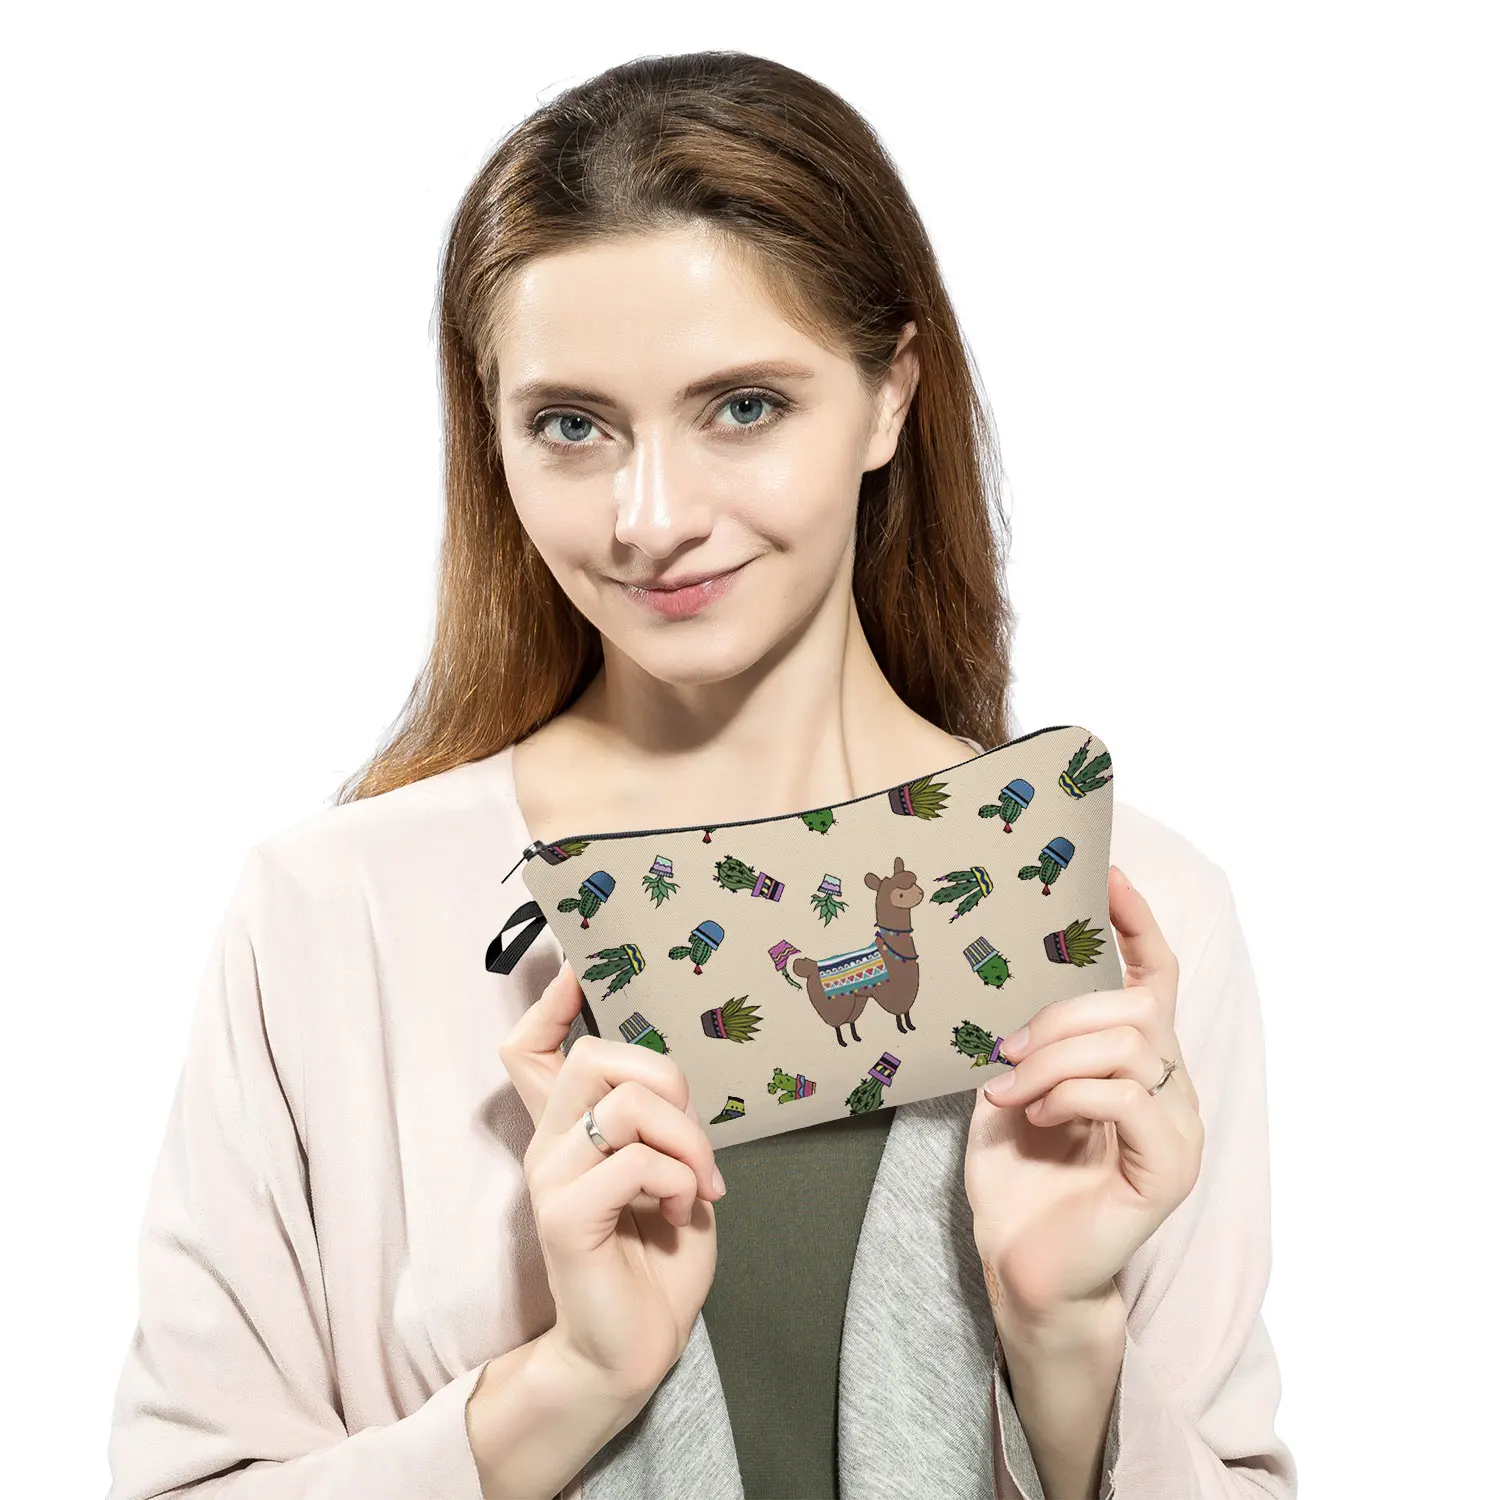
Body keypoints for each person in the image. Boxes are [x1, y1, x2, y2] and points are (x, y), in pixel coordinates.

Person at [104, 49, 1297, 1500]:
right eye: (572, 425)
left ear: (890, 394)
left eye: (742, 407)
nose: (651, 518)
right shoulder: (333, 918)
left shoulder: (1125, 911)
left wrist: (1064, 1344)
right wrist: (566, 1384)